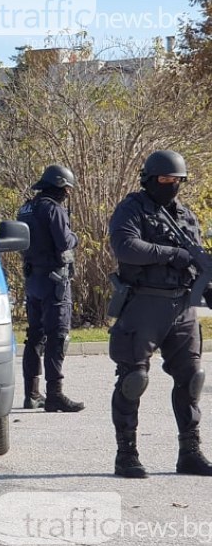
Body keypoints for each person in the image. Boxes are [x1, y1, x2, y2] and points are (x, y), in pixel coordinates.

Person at [108, 150, 212, 478]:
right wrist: (171, 255)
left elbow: (196, 261)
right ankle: (127, 454)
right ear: (150, 179)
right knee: (133, 380)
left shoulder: (185, 215)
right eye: (166, 180)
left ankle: (190, 453)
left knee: (192, 379)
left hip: (182, 306)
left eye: (178, 180)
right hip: (143, 304)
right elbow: (126, 247)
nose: (172, 185)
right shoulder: (132, 208)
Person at [16, 165, 84, 412]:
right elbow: (64, 241)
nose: (67, 193)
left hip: (33, 279)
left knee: (34, 336)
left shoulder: (26, 208)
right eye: (66, 189)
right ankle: (54, 394)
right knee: (57, 337)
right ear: (59, 186)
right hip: (54, 281)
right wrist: (74, 236)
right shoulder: (53, 209)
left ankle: (31, 394)